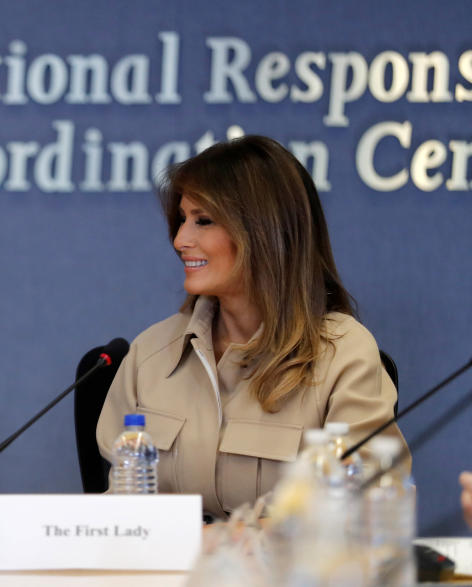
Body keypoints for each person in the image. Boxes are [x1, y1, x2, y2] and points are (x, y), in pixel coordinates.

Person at [96, 135, 408, 519]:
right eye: (182, 220)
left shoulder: (343, 353)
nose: (180, 240)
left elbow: (363, 510)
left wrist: (225, 542)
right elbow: (119, 514)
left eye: (203, 221)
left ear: (263, 230)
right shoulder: (150, 354)